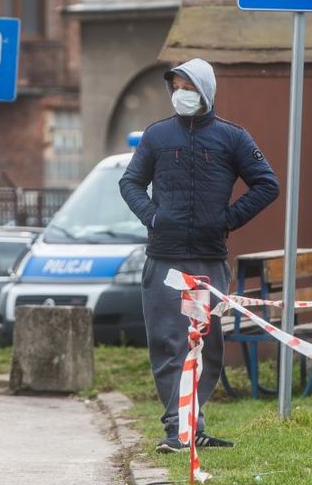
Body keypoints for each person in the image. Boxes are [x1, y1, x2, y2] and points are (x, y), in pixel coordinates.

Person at [119, 58, 280, 452]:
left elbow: (266, 184)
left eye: (187, 87)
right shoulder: (157, 137)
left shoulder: (232, 138)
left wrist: (227, 220)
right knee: (168, 341)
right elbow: (130, 183)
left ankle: (193, 423)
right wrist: (153, 217)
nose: (180, 95)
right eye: (175, 87)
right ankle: (179, 429)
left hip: (207, 261)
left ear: (204, 91)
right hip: (164, 261)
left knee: (202, 342)